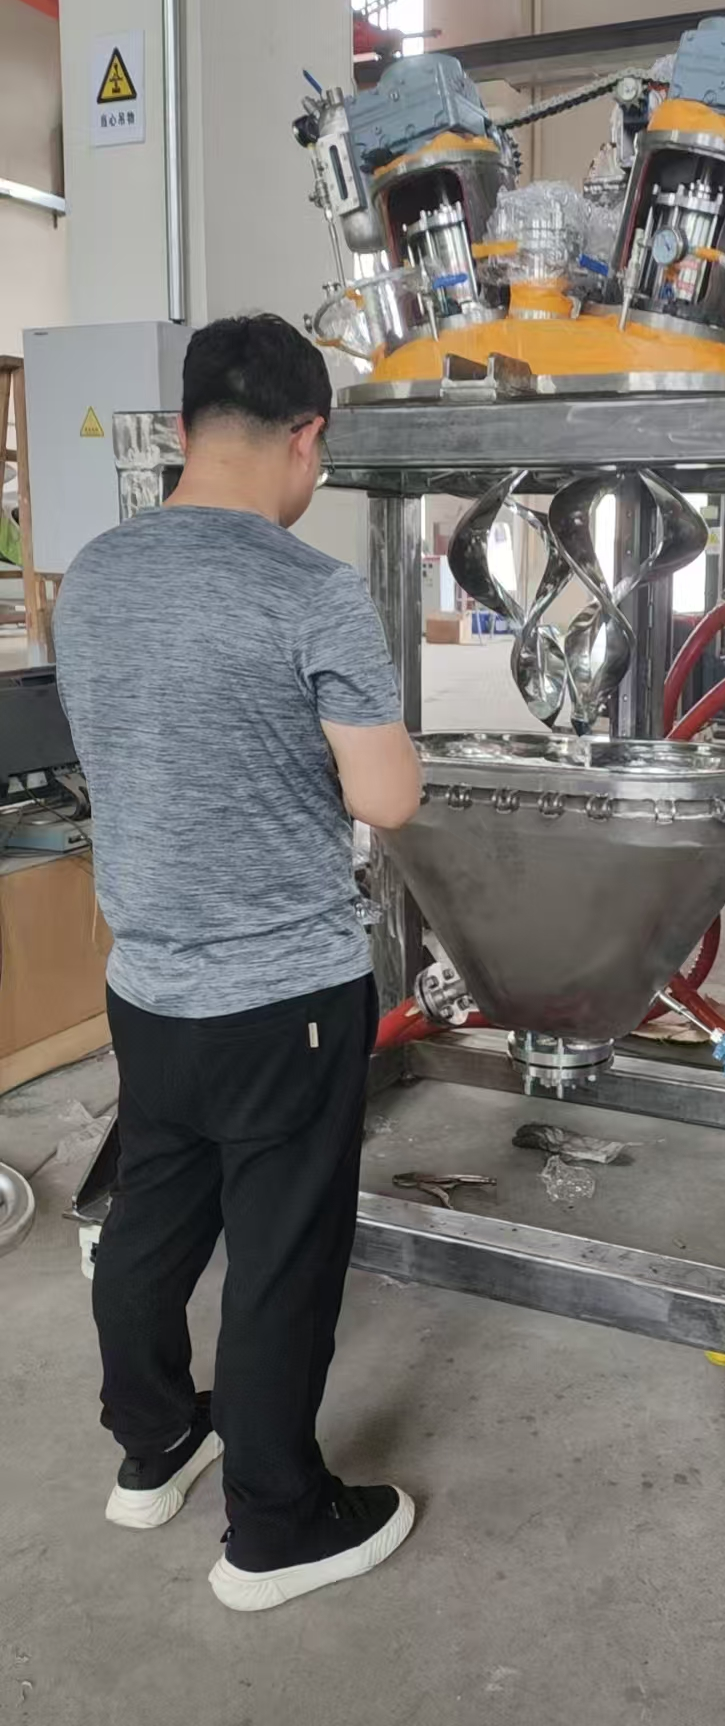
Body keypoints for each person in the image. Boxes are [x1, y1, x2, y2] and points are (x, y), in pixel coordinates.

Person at [54, 313, 422, 1612]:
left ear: (188, 426)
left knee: (153, 1219)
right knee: (280, 1259)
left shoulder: (95, 574)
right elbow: (386, 799)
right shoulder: (309, 588)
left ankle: (154, 1442)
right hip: (284, 997)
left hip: (150, 981)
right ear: (308, 436)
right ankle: (276, 1524)